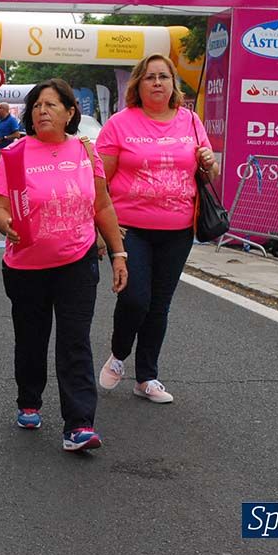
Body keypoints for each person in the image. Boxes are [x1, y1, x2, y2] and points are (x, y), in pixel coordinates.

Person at [0, 79, 127, 452]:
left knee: (74, 341)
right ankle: (29, 399)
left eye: (51, 105)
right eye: (36, 106)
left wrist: (118, 253)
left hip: (77, 261)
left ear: (70, 113)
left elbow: (102, 206)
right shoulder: (15, 154)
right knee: (32, 339)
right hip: (25, 266)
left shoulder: (86, 151)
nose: (42, 111)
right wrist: (5, 224)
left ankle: (79, 425)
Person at [95, 54, 218, 405]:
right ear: (138, 84)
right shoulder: (120, 124)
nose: (158, 83)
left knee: (159, 305)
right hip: (130, 227)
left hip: (178, 230)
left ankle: (147, 377)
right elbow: (100, 181)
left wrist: (209, 163)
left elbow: (210, 172)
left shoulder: (191, 121)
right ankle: (119, 354)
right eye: (150, 77)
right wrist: (101, 232)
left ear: (173, 84)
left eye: (165, 77)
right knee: (135, 299)